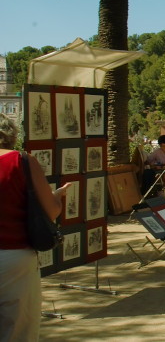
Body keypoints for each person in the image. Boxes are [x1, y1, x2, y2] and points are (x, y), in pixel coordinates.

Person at [0, 114, 70, 341]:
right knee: (18, 328)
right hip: (14, 256)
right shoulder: (21, 161)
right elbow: (50, 211)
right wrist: (57, 197)